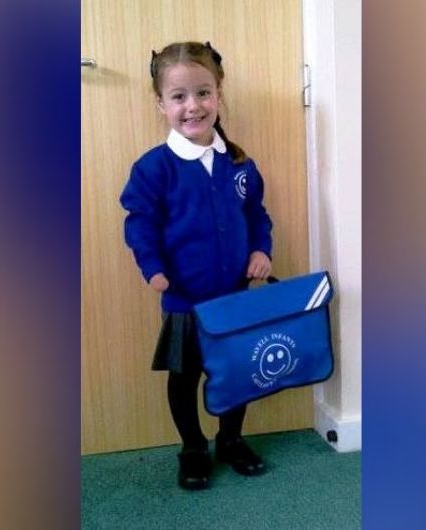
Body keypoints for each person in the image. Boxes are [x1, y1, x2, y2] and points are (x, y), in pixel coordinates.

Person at [119, 41, 274, 490]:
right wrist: (153, 268)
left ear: (219, 95)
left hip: (234, 298)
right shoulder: (153, 168)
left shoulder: (240, 164)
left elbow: (257, 215)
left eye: (203, 93)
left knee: (235, 372)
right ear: (161, 104)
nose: (193, 106)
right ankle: (192, 447)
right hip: (185, 300)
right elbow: (140, 224)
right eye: (179, 96)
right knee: (184, 378)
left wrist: (262, 249)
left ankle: (230, 440)